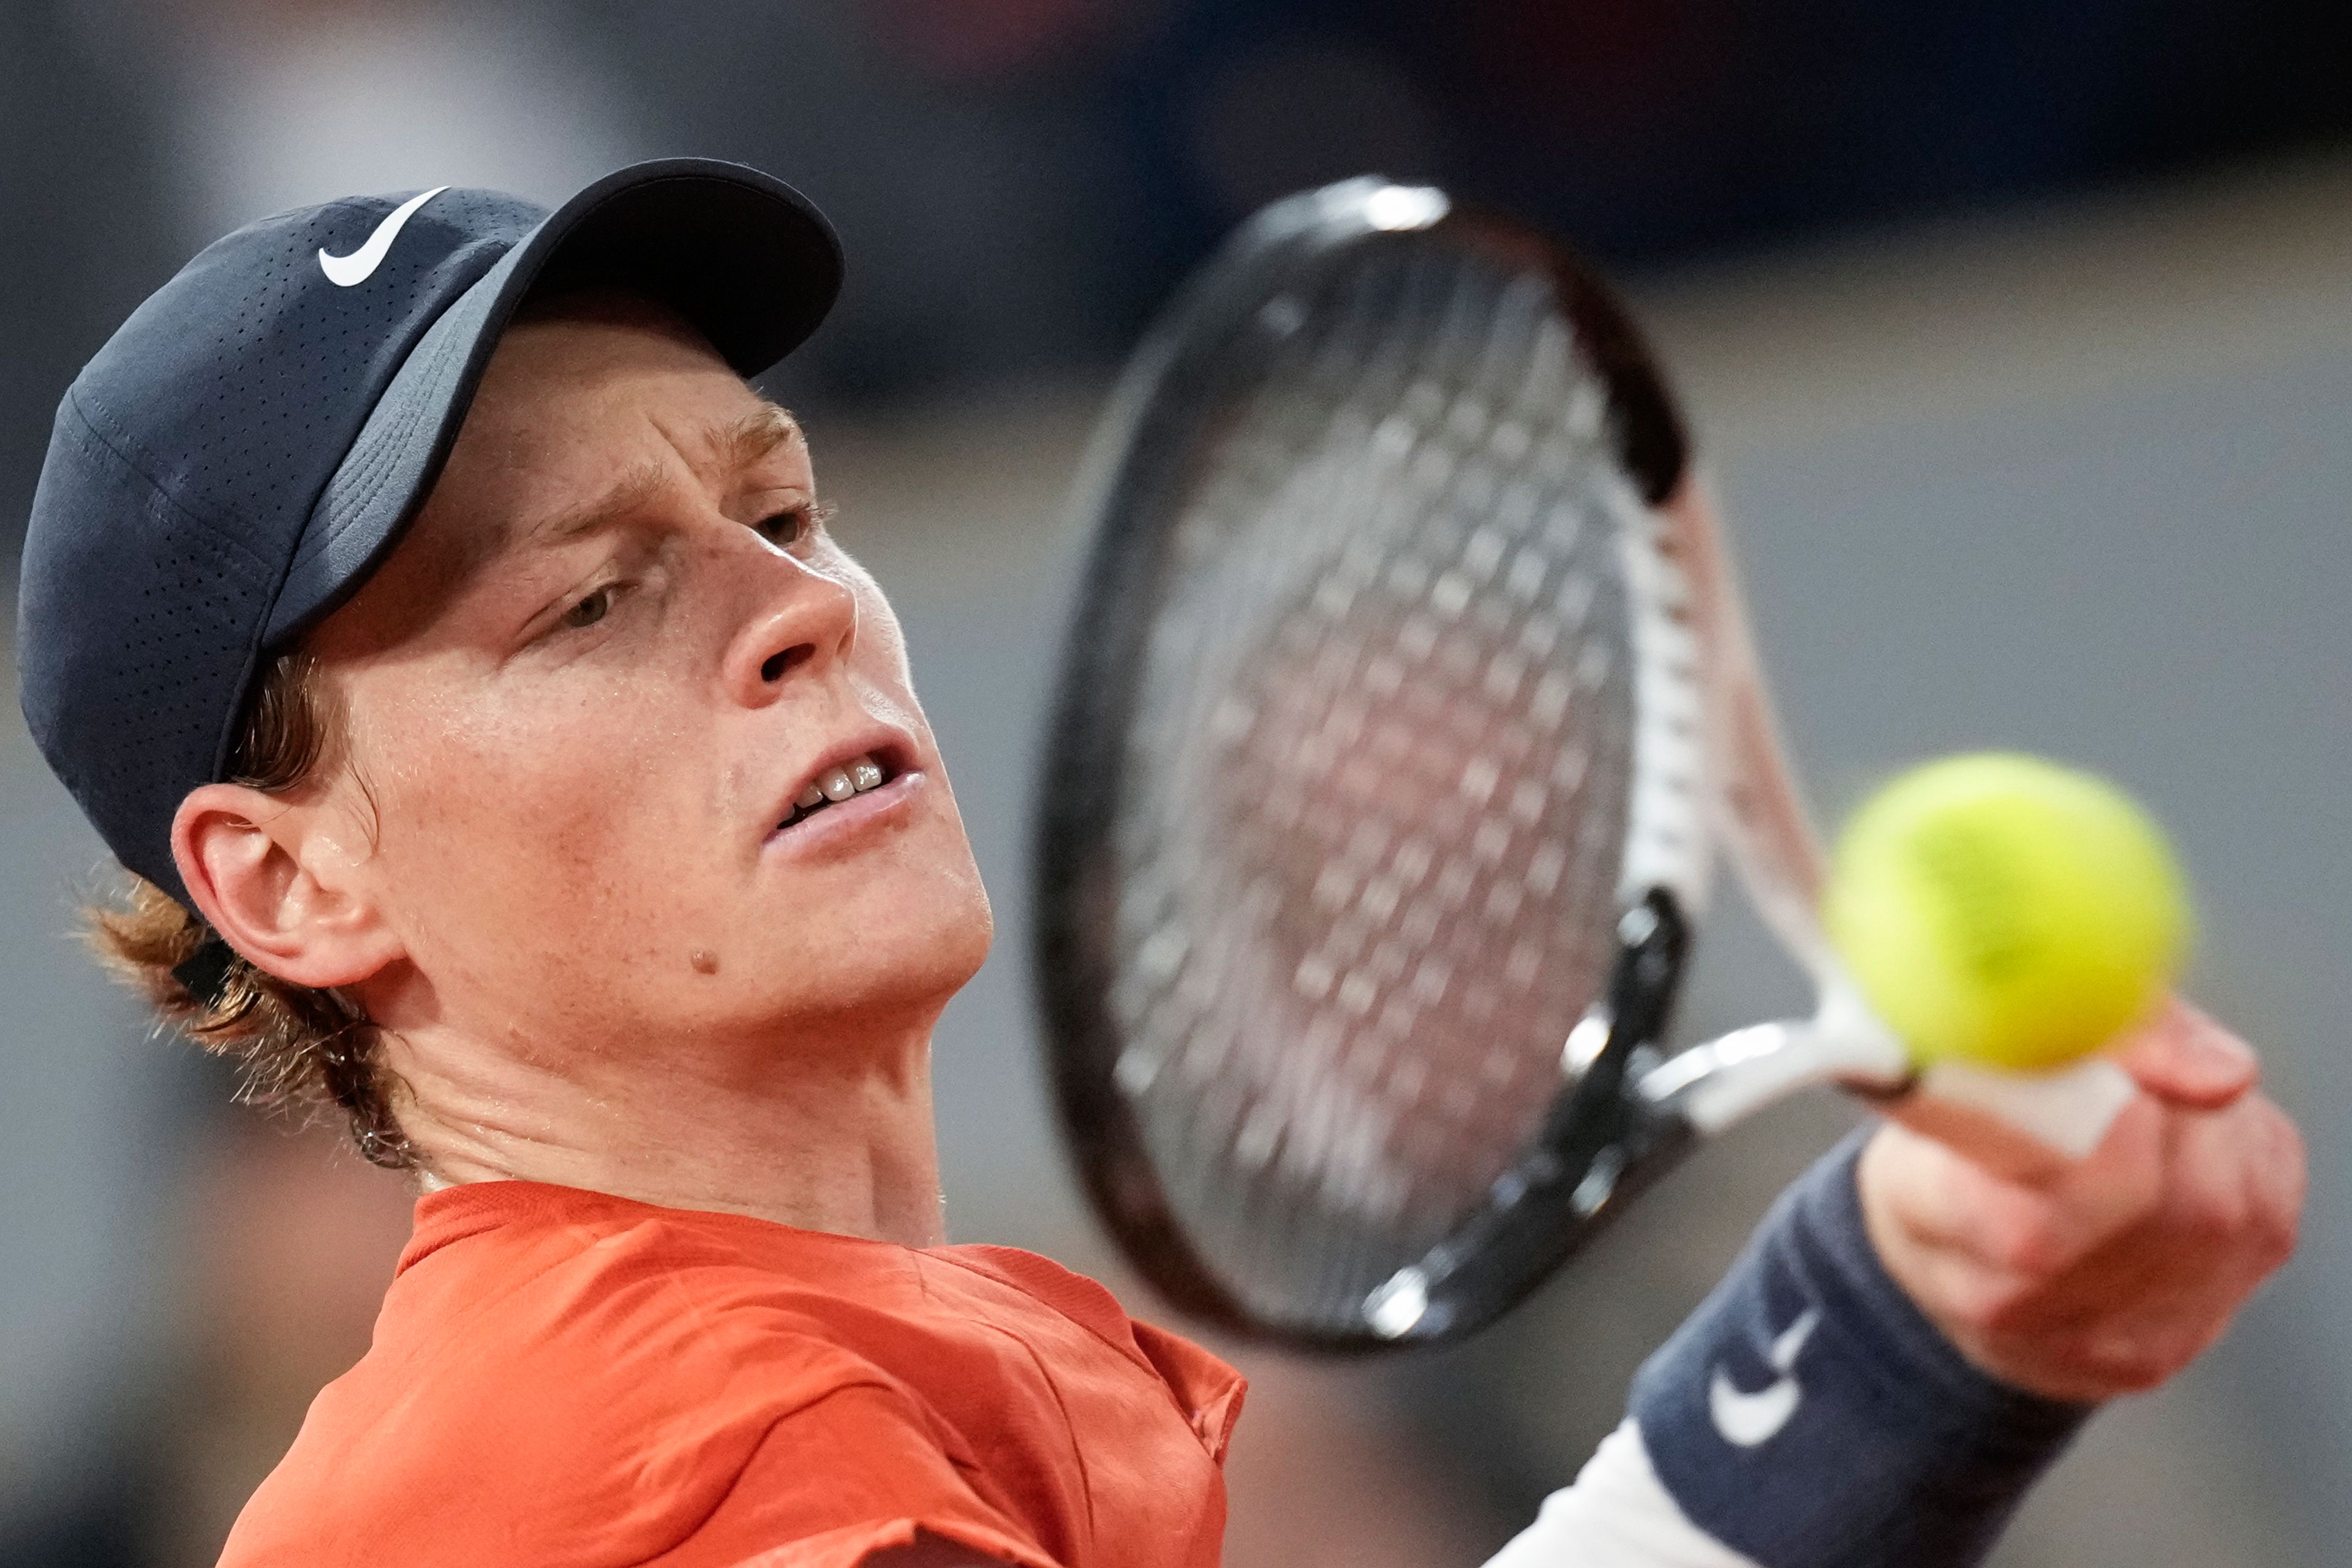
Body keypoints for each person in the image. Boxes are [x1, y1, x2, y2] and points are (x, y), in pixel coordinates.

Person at [15, 159, 2302, 1568]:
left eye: (783, 509)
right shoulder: (632, 1454)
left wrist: (1905, 1341)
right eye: (589, 599)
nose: (799, 604)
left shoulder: (785, 1372)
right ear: (295, 886)